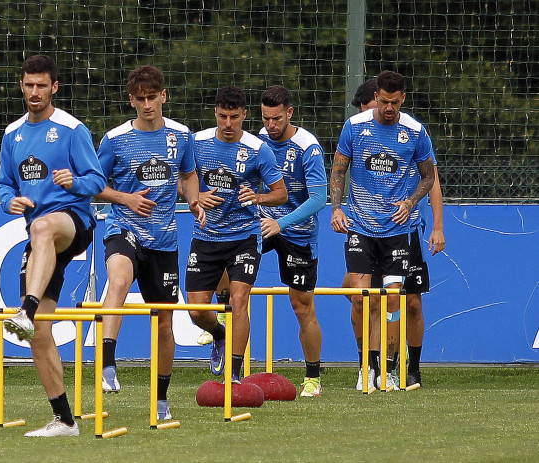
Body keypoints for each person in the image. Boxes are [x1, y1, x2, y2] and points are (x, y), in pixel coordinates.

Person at [0, 55, 107, 437]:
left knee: (42, 227)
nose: (34, 92)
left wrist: (74, 183)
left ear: (54, 88)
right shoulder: (13, 134)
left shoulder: (72, 130)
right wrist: (7, 200)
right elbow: (4, 183)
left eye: (42, 86)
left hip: (72, 223)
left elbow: (96, 180)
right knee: (39, 335)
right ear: (21, 86)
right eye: (28, 85)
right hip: (40, 236)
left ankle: (24, 309)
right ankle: (64, 420)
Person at [94, 65, 205, 420]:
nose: (146, 105)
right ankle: (108, 365)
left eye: (152, 97)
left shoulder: (181, 135)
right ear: (131, 101)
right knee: (119, 279)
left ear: (163, 97)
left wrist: (194, 199)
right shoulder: (114, 140)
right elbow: (94, 184)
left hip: (164, 239)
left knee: (164, 322)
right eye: (140, 99)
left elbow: (188, 173)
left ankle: (160, 399)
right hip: (122, 227)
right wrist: (126, 199)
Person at [329, 71, 435, 389]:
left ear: (403, 98)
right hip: (360, 225)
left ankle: (388, 370)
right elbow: (338, 169)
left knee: (392, 302)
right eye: (384, 101)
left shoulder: (415, 132)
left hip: (397, 229)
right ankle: (367, 368)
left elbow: (429, 177)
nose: (388, 107)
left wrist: (411, 201)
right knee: (362, 300)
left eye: (395, 102)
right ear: (375, 95)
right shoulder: (355, 127)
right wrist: (336, 208)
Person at [186, 85, 287, 383]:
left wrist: (257, 198)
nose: (227, 124)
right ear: (215, 113)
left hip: (244, 235)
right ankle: (219, 333)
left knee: (239, 299)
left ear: (244, 115)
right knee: (196, 309)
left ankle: (234, 373)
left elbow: (280, 193)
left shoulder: (259, 150)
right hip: (206, 234)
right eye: (222, 116)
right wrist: (197, 197)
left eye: (234, 117)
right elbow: (183, 181)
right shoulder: (197, 143)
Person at [256, 85, 327, 397]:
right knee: (225, 251)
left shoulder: (307, 147)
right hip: (263, 221)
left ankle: (313, 377)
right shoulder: (258, 140)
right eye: (266, 119)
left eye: (276, 119)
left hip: (297, 231)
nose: (271, 125)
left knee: (301, 306)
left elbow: (319, 199)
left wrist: (280, 223)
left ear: (289, 114)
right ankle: (220, 314)